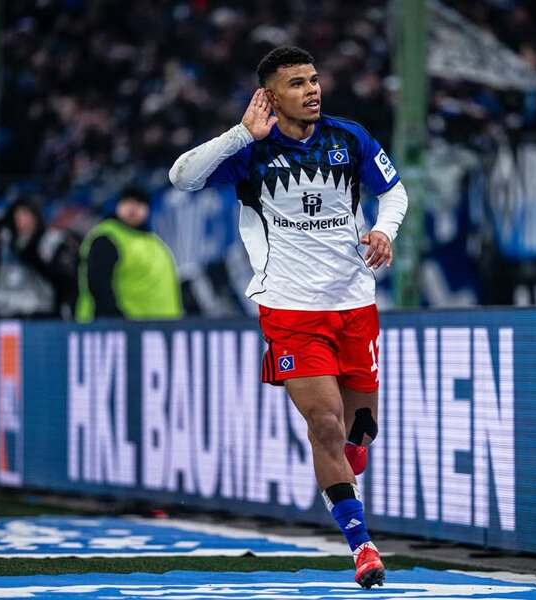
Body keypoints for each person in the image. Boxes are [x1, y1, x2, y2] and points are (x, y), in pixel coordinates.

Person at [169, 46, 408, 588]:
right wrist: (240, 134)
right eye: (297, 83)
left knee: (360, 432)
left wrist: (383, 230)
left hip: (354, 304)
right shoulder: (251, 150)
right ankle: (362, 547)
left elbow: (394, 193)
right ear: (270, 97)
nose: (312, 90)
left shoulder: (349, 138)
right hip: (290, 310)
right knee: (324, 425)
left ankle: (347, 461)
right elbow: (182, 177)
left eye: (314, 79)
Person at [76, 185, 183, 321]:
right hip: (122, 328)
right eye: (127, 202)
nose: (132, 208)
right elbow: (98, 285)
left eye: (139, 203)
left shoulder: (154, 242)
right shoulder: (108, 237)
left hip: (159, 327)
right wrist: (115, 320)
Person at [0, 196, 79, 320]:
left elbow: (64, 281)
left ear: (36, 216)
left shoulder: (50, 240)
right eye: (17, 215)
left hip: (42, 315)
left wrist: (29, 250)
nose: (21, 220)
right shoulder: (4, 241)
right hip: (7, 315)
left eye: (25, 214)